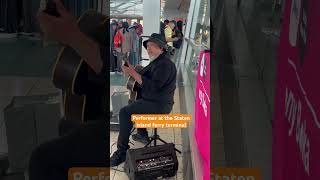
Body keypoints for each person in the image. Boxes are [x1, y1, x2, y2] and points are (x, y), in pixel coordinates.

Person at [28, 0, 108, 179]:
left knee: (42, 160)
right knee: (66, 124)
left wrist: (72, 35)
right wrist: (69, 35)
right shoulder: (97, 23)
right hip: (95, 113)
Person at [110, 33, 177, 167]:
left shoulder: (165, 65)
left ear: (162, 48)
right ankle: (141, 133)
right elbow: (145, 78)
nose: (148, 48)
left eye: (152, 46)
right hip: (154, 101)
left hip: (160, 105)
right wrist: (133, 70)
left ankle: (121, 152)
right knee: (134, 103)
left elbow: (153, 87)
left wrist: (133, 73)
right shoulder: (157, 62)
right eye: (147, 46)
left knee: (124, 112)